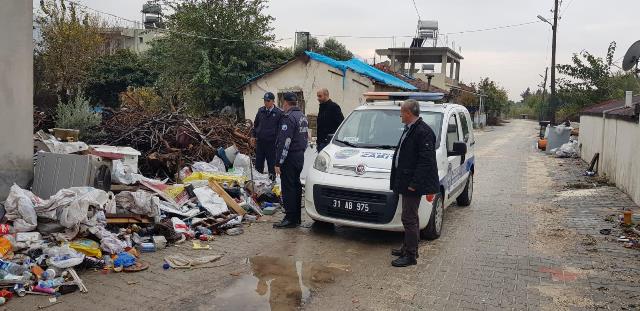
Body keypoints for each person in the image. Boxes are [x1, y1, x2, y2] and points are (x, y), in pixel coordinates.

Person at [389, 99, 440, 267]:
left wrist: (414, 183)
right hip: (406, 180)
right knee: (411, 216)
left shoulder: (423, 132)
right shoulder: (411, 128)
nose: (400, 115)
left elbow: (426, 162)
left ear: (409, 113)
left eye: (402, 112)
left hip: (412, 183)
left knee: (409, 218)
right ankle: (408, 248)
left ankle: (410, 256)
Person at [273, 92, 309, 229]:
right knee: (296, 185)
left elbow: (285, 142)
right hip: (299, 156)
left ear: (286, 103)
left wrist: (278, 162)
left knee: (288, 188)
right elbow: (305, 139)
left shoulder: (288, 118)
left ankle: (289, 218)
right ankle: (297, 217)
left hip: (289, 157)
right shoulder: (302, 117)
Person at [251, 92, 283, 180]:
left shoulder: (279, 113)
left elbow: (281, 130)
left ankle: (271, 185)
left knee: (271, 166)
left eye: (268, 101)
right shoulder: (261, 111)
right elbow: (255, 125)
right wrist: (253, 136)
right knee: (258, 165)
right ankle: (258, 183)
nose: (266, 102)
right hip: (260, 143)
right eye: (265, 100)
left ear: (273, 101)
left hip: (272, 144)